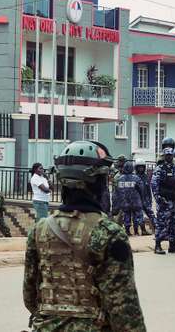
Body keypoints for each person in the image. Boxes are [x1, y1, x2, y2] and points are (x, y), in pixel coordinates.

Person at [23, 140, 146, 331]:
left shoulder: (39, 230)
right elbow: (125, 313)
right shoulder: (109, 234)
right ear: (98, 183)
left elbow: (30, 297)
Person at [151, 148, 175, 255]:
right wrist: (158, 199)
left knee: (174, 223)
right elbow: (154, 185)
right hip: (165, 201)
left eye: (171, 155)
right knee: (162, 223)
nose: (169, 157)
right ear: (164, 156)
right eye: (167, 155)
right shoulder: (159, 169)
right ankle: (158, 245)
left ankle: (172, 245)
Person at [112, 160, 144, 236]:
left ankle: (127, 231)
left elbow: (116, 192)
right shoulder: (136, 178)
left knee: (126, 216)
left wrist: (118, 203)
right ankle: (136, 231)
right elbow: (141, 189)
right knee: (136, 216)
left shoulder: (119, 178)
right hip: (135, 201)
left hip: (125, 202)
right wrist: (141, 199)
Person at [135, 159, 154, 235]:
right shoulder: (135, 177)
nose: (141, 169)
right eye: (139, 167)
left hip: (146, 199)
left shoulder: (146, 177)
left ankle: (156, 229)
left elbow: (148, 189)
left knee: (151, 214)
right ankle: (143, 230)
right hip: (138, 200)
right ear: (136, 168)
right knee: (140, 216)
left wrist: (150, 199)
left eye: (142, 167)